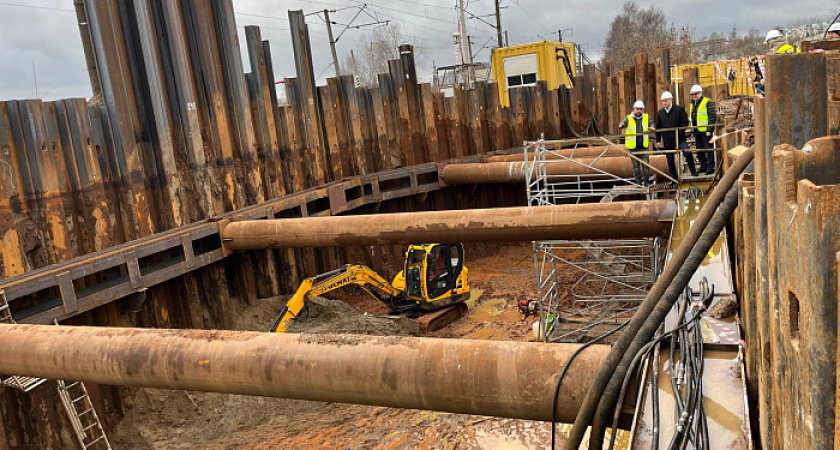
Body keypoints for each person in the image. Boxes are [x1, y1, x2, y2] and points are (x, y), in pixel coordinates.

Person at [654, 91, 690, 179]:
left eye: (666, 101)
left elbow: (685, 122)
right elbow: (658, 127)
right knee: (670, 160)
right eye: (663, 101)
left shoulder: (679, 109)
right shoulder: (660, 113)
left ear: (671, 100)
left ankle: (693, 172)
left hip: (679, 138)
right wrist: (658, 140)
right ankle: (674, 178)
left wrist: (679, 132)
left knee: (687, 152)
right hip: (668, 140)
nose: (664, 103)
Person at [619, 100, 655, 185]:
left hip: (643, 146)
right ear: (633, 109)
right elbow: (623, 123)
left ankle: (646, 182)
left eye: (640, 109)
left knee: (646, 166)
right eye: (637, 109)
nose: (638, 111)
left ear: (643, 109)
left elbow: (652, 123)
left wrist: (652, 127)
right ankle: (638, 182)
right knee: (636, 167)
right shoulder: (628, 118)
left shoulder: (646, 117)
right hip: (633, 147)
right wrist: (621, 125)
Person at [688, 85, 716, 175]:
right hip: (697, 131)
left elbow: (712, 116)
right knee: (699, 150)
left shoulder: (708, 102)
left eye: (696, 94)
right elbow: (692, 117)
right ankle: (703, 166)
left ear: (700, 93)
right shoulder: (693, 104)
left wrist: (710, 130)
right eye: (693, 94)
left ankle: (710, 167)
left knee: (708, 149)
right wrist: (692, 130)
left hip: (705, 131)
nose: (694, 96)